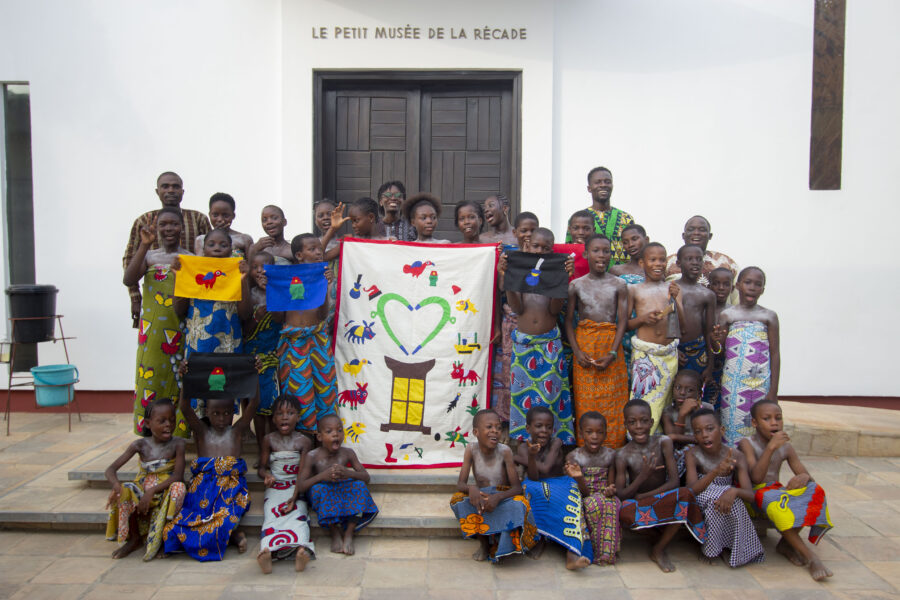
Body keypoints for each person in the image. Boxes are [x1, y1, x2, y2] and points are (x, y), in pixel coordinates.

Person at [162, 379, 259, 561]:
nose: (222, 418)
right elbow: (184, 407)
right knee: (179, 523)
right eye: (216, 413)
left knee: (226, 514)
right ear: (206, 412)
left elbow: (253, 404)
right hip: (203, 486)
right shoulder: (202, 432)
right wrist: (185, 378)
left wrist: (255, 376)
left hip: (230, 486)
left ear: (234, 413)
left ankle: (234, 535)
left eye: (227, 413)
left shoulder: (236, 431)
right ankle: (233, 536)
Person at [740, 401, 833, 581]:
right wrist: (770, 448)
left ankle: (785, 544)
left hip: (776, 493)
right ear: (754, 423)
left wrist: (804, 478)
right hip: (754, 497)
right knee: (776, 503)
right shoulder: (747, 444)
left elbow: (806, 475)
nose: (774, 423)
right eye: (766, 419)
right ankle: (811, 557)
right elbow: (756, 478)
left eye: (778, 418)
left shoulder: (786, 447)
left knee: (815, 491)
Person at [499, 227, 575, 444]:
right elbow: (517, 309)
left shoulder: (553, 275)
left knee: (550, 397)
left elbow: (553, 311)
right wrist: (509, 279)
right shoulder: (521, 273)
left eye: (546, 248)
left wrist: (562, 281)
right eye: (536, 246)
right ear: (526, 246)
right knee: (523, 397)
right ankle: (524, 447)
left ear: (552, 251)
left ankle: (553, 447)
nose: (540, 251)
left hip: (549, 345)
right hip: (524, 345)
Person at [123, 207, 192, 437]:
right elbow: (129, 279)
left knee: (179, 380)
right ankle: (149, 433)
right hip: (152, 332)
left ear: (182, 227)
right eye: (164, 224)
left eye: (174, 224)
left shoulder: (189, 259)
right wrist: (144, 245)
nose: (169, 228)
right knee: (150, 378)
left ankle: (179, 434)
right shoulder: (150, 256)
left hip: (181, 328)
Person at [615, 400, 706, 572]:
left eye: (643, 421)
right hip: (640, 504)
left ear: (651, 422)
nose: (639, 426)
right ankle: (657, 535)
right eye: (632, 422)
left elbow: (673, 482)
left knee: (685, 494)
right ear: (625, 424)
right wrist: (643, 477)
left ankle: (659, 548)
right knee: (622, 512)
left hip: (661, 498)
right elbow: (621, 494)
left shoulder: (663, 442)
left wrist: (646, 496)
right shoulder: (622, 454)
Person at [173, 229, 252, 417]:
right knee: (198, 384)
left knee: (224, 387)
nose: (217, 248)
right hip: (199, 341)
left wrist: (243, 280)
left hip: (228, 343)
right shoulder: (193, 272)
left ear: (231, 249)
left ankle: (223, 433)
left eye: (223, 245)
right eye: (212, 244)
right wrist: (179, 277)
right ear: (203, 248)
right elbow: (179, 310)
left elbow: (245, 313)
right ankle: (200, 431)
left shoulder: (235, 272)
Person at [123, 171, 211, 327]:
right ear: (157, 191)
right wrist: (135, 298)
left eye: (175, 187)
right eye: (165, 186)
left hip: (193, 295)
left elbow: (211, 256)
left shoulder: (199, 219)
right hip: (157, 298)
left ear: (182, 192)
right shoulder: (144, 221)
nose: (171, 190)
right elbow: (130, 260)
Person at [566, 234, 629, 448]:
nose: (601, 256)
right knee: (586, 401)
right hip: (585, 346)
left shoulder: (619, 284)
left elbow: (622, 322)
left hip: (611, 347)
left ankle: (613, 449)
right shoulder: (576, 285)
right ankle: (586, 451)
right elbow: (568, 322)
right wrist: (577, 351)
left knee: (614, 401)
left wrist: (612, 353)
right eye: (596, 251)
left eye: (606, 251)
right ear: (585, 254)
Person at [450, 409, 538, 562]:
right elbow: (460, 484)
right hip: (482, 498)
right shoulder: (471, 449)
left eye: (498, 428)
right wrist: (472, 489)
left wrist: (498, 497)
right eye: (489, 427)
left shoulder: (505, 451)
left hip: (502, 497)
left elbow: (517, 488)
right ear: (476, 432)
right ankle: (484, 543)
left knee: (520, 504)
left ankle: (502, 544)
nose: (495, 431)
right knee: (458, 500)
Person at [105, 398, 186, 560]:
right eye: (161, 421)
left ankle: (165, 538)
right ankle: (134, 538)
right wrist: (116, 486)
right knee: (125, 490)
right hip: (143, 487)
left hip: (165, 488)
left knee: (179, 488)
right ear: (148, 423)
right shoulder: (139, 445)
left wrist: (152, 491)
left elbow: (178, 476)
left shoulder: (178, 443)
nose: (168, 424)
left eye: (171, 420)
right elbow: (110, 469)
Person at [686, 408, 765, 567]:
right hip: (703, 495)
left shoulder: (736, 455)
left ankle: (736, 548)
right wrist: (715, 471)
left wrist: (733, 491)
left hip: (727, 495)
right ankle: (711, 549)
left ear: (721, 430)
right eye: (698, 431)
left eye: (710, 429)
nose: (705, 435)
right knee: (716, 504)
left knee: (735, 503)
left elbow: (750, 494)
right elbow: (691, 491)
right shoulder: (693, 454)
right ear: (694, 436)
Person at [516, 406, 592, 569]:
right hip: (536, 483)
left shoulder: (556, 442)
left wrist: (523, 458)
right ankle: (539, 539)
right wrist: (529, 456)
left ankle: (573, 554)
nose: (544, 431)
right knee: (529, 489)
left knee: (572, 501)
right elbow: (535, 477)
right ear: (528, 428)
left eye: (548, 427)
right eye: (539, 426)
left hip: (560, 481)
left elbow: (545, 468)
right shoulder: (523, 447)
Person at [292, 414, 378, 556]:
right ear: (319, 437)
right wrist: (322, 476)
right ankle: (334, 532)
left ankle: (349, 533)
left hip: (342, 488)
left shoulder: (347, 453)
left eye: (339, 430)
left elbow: (366, 477)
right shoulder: (312, 456)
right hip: (325, 490)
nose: (335, 435)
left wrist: (348, 473)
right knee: (318, 490)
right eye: (329, 431)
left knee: (360, 486)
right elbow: (301, 486)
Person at [277, 234, 338, 433]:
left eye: (320, 249)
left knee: (324, 388)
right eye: (312, 249)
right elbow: (280, 315)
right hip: (294, 343)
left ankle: (323, 438)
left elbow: (322, 315)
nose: (318, 252)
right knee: (296, 390)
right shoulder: (286, 276)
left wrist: (325, 288)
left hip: (317, 340)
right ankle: (300, 439)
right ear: (299, 255)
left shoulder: (321, 276)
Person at [717, 267, 780, 445]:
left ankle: (755, 467)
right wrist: (716, 340)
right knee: (731, 425)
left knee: (758, 426)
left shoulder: (769, 316)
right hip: (733, 384)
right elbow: (720, 351)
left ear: (763, 289)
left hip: (760, 384)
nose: (752, 287)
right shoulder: (727, 315)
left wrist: (773, 391)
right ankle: (733, 466)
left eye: (758, 284)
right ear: (737, 286)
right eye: (747, 282)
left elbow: (775, 354)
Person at [626, 242, 684, 433]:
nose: (658, 264)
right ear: (642, 263)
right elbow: (625, 324)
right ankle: (640, 443)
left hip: (669, 355)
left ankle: (661, 445)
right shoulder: (634, 290)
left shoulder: (673, 288)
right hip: (646, 357)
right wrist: (643, 319)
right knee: (645, 403)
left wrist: (675, 300)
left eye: (662, 259)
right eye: (653, 260)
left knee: (666, 403)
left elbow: (682, 323)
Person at [257, 395, 315, 574]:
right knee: (271, 516)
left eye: (290, 413)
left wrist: (295, 496)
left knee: (299, 515)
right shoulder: (269, 440)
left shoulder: (304, 441)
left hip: (296, 487)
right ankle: (267, 552)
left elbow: (303, 473)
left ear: (298, 417)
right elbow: (261, 467)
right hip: (275, 489)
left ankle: (301, 551)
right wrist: (266, 476)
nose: (284, 417)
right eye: (280, 414)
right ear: (273, 419)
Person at [489, 212, 536, 426]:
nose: (528, 235)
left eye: (532, 230)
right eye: (524, 230)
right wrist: (502, 270)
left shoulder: (543, 256)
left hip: (535, 323)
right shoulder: (508, 257)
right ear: (515, 233)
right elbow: (500, 289)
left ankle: (530, 424)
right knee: (508, 373)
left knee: (531, 373)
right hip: (511, 324)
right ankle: (507, 423)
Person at [564, 412, 621, 565]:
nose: (594, 437)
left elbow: (610, 484)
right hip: (581, 496)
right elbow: (577, 492)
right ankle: (588, 551)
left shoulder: (610, 455)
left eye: (599, 432)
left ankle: (605, 553)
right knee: (591, 504)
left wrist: (610, 490)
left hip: (603, 496)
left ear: (605, 434)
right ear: (581, 433)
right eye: (589, 432)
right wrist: (579, 478)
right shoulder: (573, 457)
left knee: (611, 502)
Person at [243, 252, 284, 456]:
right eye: (255, 267)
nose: (260, 271)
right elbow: (245, 329)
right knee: (258, 406)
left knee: (275, 404)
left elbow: (280, 317)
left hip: (275, 355)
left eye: (265, 267)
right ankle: (262, 451)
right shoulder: (248, 293)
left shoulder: (278, 292)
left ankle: (276, 451)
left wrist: (271, 292)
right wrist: (257, 317)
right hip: (254, 358)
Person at [673, 245, 716, 402]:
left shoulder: (707, 295)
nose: (695, 263)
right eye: (689, 259)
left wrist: (710, 366)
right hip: (674, 351)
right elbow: (663, 324)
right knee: (672, 395)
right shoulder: (670, 289)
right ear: (678, 263)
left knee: (695, 396)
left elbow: (709, 331)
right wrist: (672, 350)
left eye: (699, 259)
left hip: (698, 353)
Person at [568, 166, 634, 265]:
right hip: (589, 276)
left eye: (607, 182)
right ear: (589, 188)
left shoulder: (626, 219)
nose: (603, 185)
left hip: (622, 277)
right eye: (598, 182)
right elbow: (568, 253)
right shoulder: (578, 220)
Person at [665, 216, 739, 303]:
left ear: (710, 236)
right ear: (683, 235)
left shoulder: (726, 263)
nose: (696, 233)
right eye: (691, 229)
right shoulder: (668, 262)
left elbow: (737, 300)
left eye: (702, 229)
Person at [610, 223, 649, 382]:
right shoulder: (616, 270)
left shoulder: (655, 268)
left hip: (647, 329)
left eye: (635, 239)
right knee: (624, 377)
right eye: (625, 242)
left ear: (646, 239)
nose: (630, 244)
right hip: (623, 329)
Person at [660, 369, 712, 477]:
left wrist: (698, 413)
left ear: (699, 393)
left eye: (690, 390)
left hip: (702, 455)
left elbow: (709, 439)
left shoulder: (707, 409)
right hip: (678, 458)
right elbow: (675, 443)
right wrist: (682, 415)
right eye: (678, 388)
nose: (682, 393)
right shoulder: (667, 412)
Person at [706, 267, 734, 409]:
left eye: (726, 284)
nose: (721, 288)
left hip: (727, 365)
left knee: (724, 403)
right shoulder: (703, 309)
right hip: (704, 364)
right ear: (709, 286)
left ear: (733, 287)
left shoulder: (734, 313)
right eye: (716, 283)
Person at [193, 193, 253, 257]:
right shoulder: (201, 240)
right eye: (215, 215)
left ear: (233, 216)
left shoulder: (244, 239)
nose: (220, 219)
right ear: (210, 215)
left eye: (225, 215)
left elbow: (251, 264)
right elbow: (199, 262)